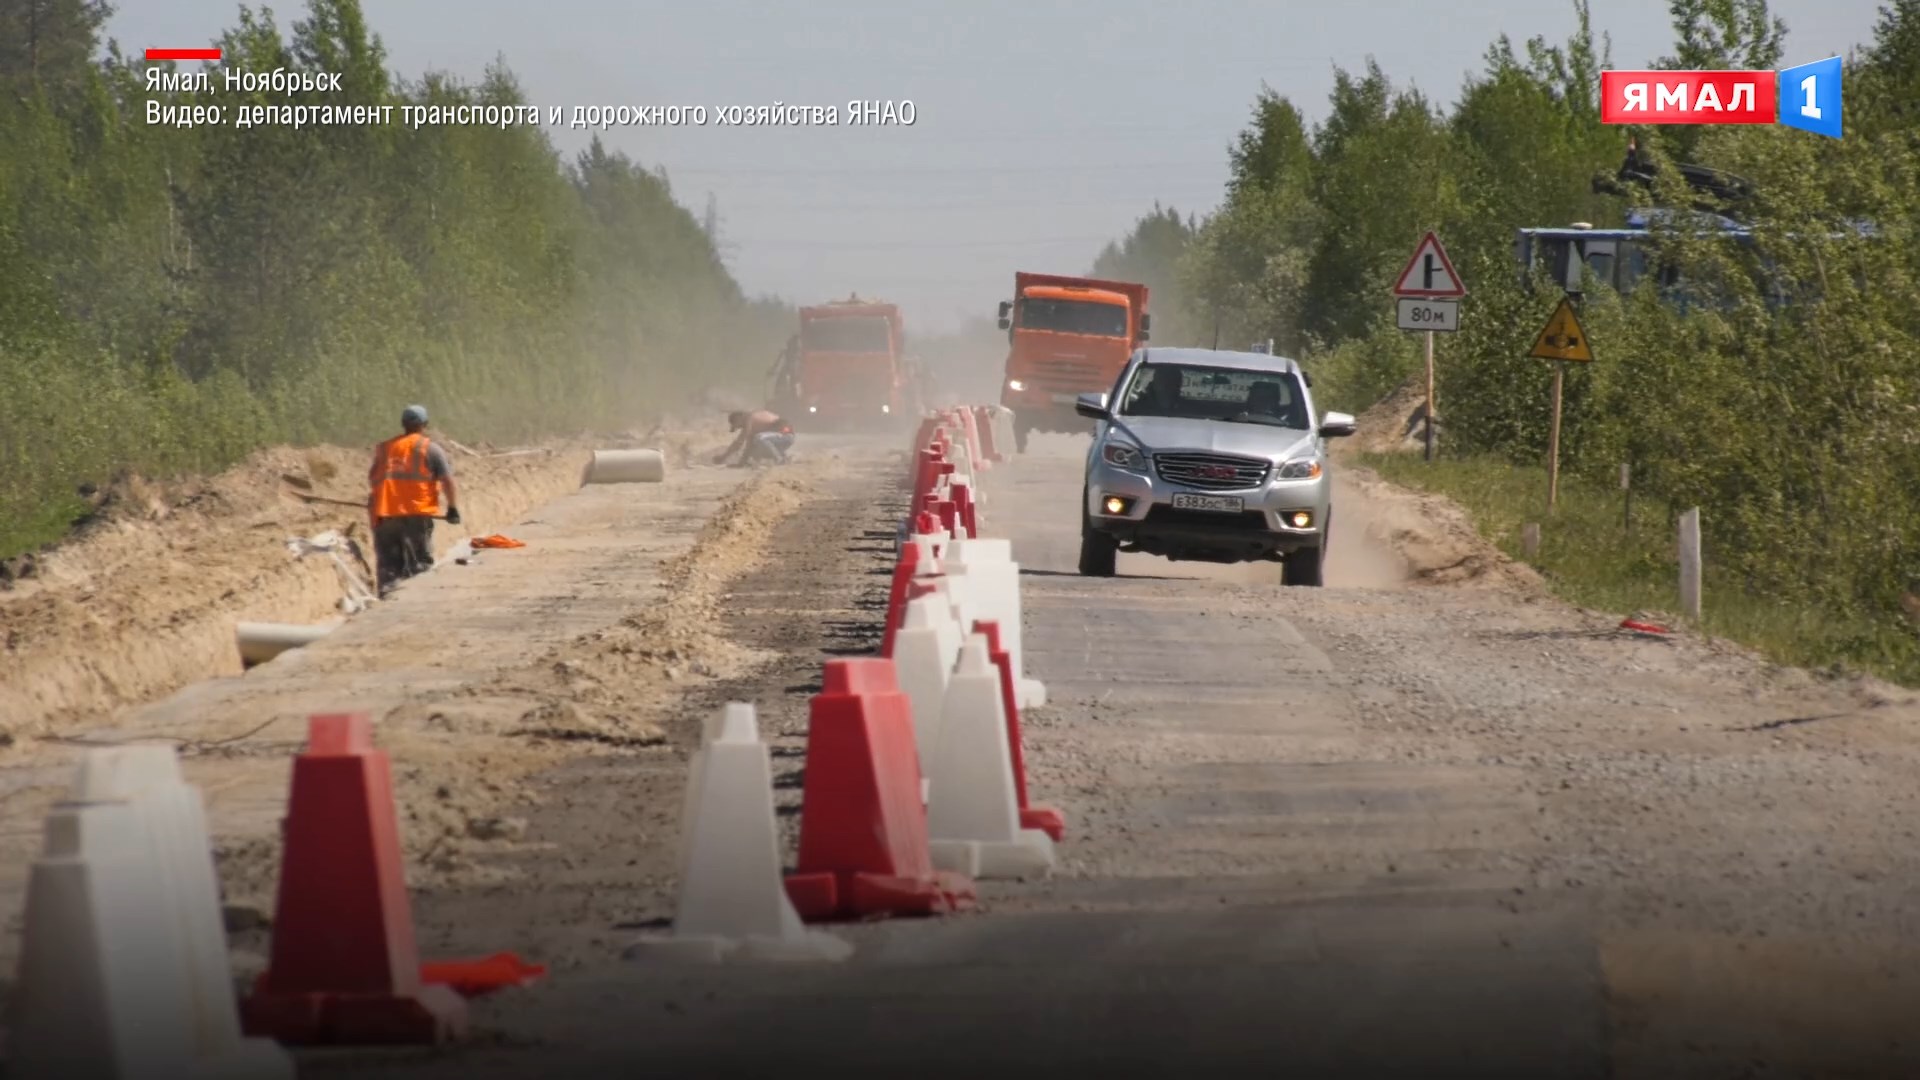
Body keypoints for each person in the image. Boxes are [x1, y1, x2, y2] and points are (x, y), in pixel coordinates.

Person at [367, 404, 458, 595]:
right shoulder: (430, 449)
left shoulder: (384, 449)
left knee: (389, 565)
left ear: (403, 424)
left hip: (385, 514)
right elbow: (447, 481)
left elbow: (373, 479)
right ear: (424, 424)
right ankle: (416, 599)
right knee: (419, 564)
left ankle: (387, 601)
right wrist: (452, 508)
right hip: (416, 515)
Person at [713, 408, 794, 467]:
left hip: (786, 435)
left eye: (738, 425)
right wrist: (741, 464)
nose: (741, 428)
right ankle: (783, 457)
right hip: (781, 439)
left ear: (740, 418)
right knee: (755, 448)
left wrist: (723, 457)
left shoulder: (749, 418)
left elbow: (739, 442)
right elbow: (748, 447)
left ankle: (780, 460)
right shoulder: (755, 426)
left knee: (759, 438)